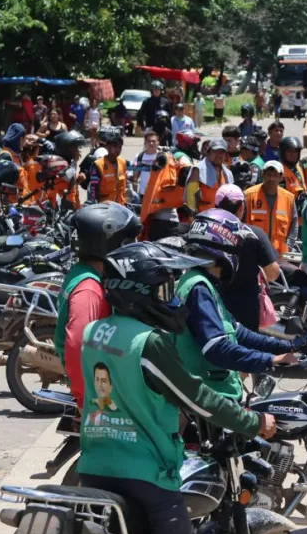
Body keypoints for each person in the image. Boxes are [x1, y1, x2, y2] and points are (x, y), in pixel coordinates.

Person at [78, 241, 276, 534]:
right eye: (163, 289)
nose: (169, 298)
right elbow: (197, 398)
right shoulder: (148, 342)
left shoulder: (95, 332)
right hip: (147, 474)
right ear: (145, 292)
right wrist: (253, 420)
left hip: (94, 466)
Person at [177, 210, 299, 400]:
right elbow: (217, 348)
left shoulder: (206, 282)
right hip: (207, 400)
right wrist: (271, 360)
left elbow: (238, 332)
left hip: (216, 394)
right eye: (236, 248)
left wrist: (288, 346)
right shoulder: (198, 288)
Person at [54, 203, 141, 411]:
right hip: (97, 399)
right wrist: (88, 399)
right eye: (126, 242)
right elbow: (77, 344)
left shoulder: (81, 273)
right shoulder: (90, 289)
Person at [211, 185, 282, 330]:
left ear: (216, 206)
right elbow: (273, 272)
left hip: (213, 304)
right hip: (246, 310)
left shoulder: (207, 232)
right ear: (242, 207)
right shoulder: (255, 234)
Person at [140, 130, 199, 240]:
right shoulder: (183, 158)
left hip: (155, 209)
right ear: (187, 143)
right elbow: (185, 180)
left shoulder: (171, 154)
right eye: (195, 143)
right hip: (168, 213)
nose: (197, 146)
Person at [243, 160, 295, 255]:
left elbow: (294, 224)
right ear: (263, 175)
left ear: (281, 178)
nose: (271, 178)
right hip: (255, 252)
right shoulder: (249, 195)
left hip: (280, 254)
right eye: (268, 174)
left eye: (275, 175)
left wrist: (289, 246)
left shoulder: (289, 198)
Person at [87, 127, 128, 204]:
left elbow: (125, 185)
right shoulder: (98, 165)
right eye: (114, 146)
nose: (117, 150)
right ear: (107, 147)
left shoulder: (123, 162)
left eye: (120, 147)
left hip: (121, 206)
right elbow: (94, 190)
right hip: (104, 207)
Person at [193, 139, 234, 212]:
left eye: (221, 152)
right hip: (203, 217)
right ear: (209, 153)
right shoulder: (197, 170)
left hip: (222, 217)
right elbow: (190, 197)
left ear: (225, 155)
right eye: (215, 151)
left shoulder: (228, 173)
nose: (218, 155)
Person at [132, 131, 161, 197]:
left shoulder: (162, 157)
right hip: (143, 194)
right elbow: (135, 178)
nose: (151, 143)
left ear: (158, 143)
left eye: (153, 141)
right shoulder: (138, 157)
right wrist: (135, 195)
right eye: (149, 141)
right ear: (145, 143)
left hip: (158, 194)